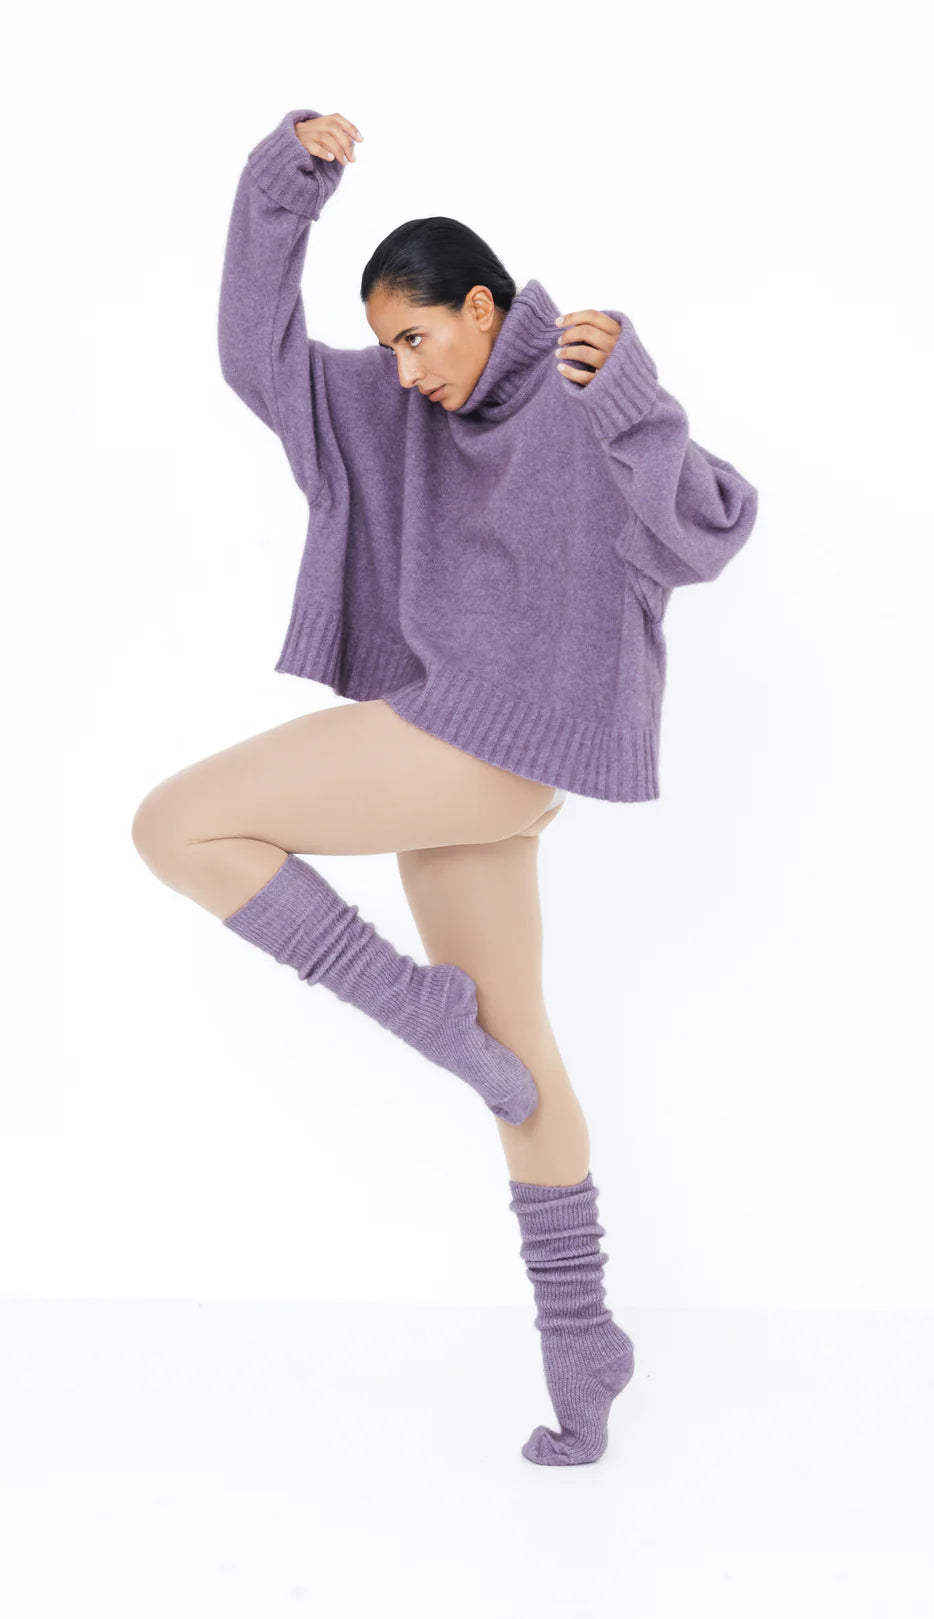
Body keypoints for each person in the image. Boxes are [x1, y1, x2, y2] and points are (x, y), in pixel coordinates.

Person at [130, 108, 759, 1467]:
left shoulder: (587, 390)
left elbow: (711, 530)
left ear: (483, 307)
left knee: (176, 823)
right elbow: (255, 355)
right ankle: (584, 1343)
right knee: (519, 1063)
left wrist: (636, 402)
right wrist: (285, 183)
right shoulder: (389, 406)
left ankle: (419, 1012)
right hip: (480, 768)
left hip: (487, 747)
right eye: (390, 347)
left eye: (420, 337)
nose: (406, 371)